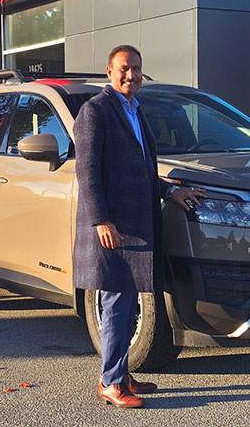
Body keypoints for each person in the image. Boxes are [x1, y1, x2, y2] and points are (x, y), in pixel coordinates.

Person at [72, 45, 205, 408]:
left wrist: (170, 191)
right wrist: (100, 219)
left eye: (136, 68)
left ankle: (121, 373)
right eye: (124, 68)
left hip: (136, 226)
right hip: (113, 227)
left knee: (129, 305)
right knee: (117, 304)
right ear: (109, 71)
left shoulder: (135, 110)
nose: (131, 75)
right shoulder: (95, 111)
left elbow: (142, 171)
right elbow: (87, 172)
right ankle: (111, 383)